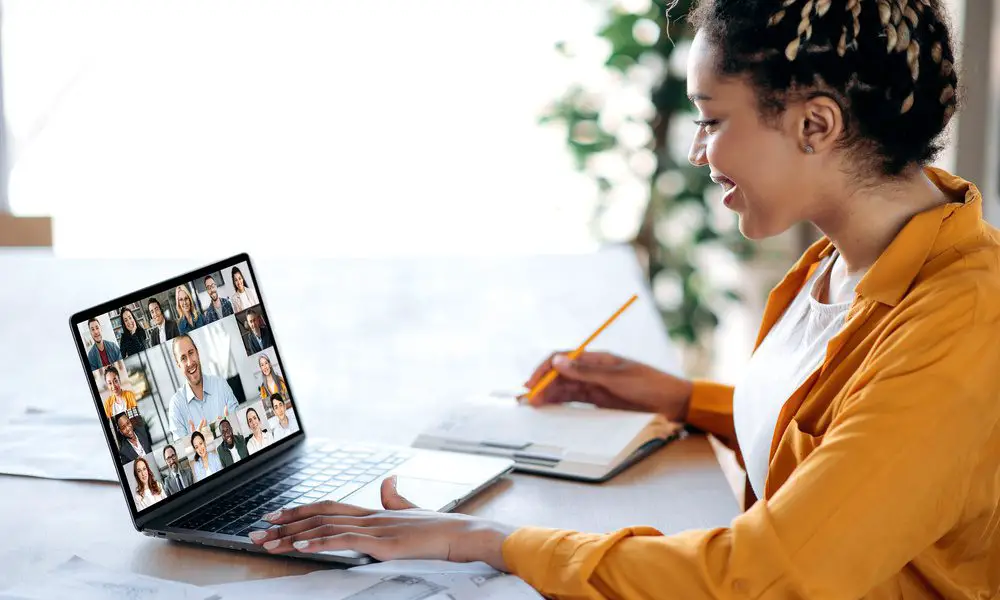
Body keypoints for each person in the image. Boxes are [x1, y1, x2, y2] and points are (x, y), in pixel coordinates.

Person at [249, 2, 1000, 597]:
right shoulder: (847, 260)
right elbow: (853, 440)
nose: (699, 152)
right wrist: (682, 399)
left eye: (712, 120)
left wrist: (482, 541)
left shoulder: (963, 325)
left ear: (815, 123)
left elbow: (763, 576)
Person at [166, 334, 240, 443]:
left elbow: (240, 425)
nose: (190, 362)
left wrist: (232, 425)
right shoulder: (176, 406)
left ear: (197, 352)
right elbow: (182, 452)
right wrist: (195, 443)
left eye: (191, 353)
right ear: (178, 365)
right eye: (183, 358)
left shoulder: (220, 384)